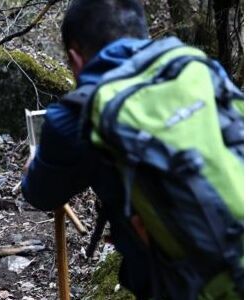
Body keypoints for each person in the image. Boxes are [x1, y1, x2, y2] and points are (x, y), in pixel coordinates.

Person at [21, 0, 243, 299]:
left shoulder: (74, 116)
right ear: (143, 33)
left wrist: (32, 168)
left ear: (75, 58)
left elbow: (41, 194)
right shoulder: (197, 66)